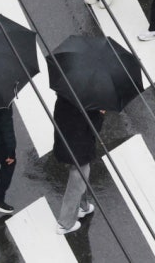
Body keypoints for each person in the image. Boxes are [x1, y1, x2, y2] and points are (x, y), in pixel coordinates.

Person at [53, 96, 105, 235]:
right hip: (80, 148)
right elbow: (94, 129)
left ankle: (83, 206)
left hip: (66, 143)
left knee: (82, 175)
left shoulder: (63, 98)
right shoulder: (91, 104)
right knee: (77, 181)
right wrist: (100, 114)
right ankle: (65, 223)